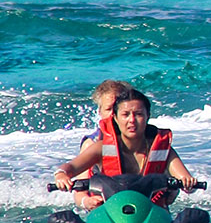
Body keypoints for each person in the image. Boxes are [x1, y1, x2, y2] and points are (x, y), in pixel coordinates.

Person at [53, 88, 197, 208]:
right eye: (125, 114)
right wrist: (61, 175)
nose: (132, 120)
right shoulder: (101, 148)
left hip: (151, 215)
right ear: (115, 117)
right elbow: (70, 167)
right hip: (111, 214)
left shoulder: (164, 151)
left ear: (148, 116)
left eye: (139, 114)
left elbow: (185, 179)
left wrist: (188, 183)